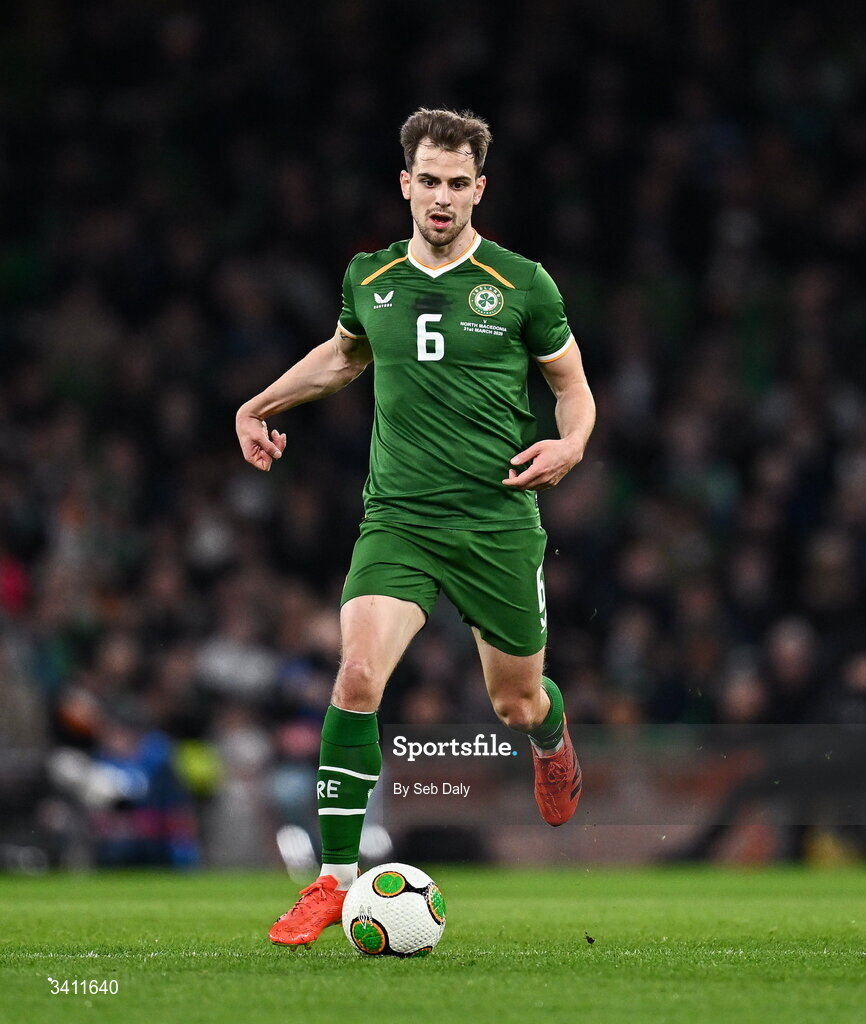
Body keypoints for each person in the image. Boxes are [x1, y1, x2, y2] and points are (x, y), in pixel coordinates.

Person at [235, 108, 595, 947]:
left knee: (514, 700)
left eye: (456, 183)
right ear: (405, 183)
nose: (441, 196)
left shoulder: (521, 284)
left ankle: (551, 737)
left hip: (496, 518)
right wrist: (259, 402)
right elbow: (342, 355)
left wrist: (571, 444)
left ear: (479, 189)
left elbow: (572, 385)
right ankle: (332, 880)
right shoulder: (372, 275)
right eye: (427, 180)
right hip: (397, 517)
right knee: (357, 674)